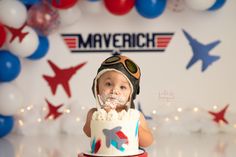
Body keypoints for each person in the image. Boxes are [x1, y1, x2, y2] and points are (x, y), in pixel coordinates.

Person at [83, 54, 153, 147]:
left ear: (130, 94)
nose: (115, 91)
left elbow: (147, 142)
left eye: (122, 87)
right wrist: (104, 115)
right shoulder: (94, 113)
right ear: (97, 88)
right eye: (108, 84)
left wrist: (135, 126)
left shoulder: (135, 116)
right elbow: (88, 132)